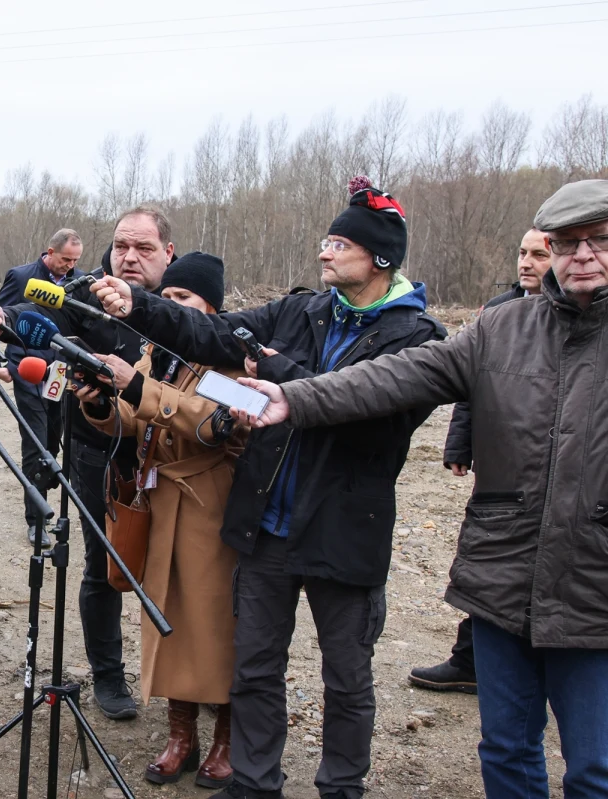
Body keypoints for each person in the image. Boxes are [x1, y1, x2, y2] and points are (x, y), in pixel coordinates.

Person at [235, 178, 608, 799]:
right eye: (566, 243)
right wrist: (293, 396)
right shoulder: (501, 327)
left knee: (594, 769)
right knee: (508, 752)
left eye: (598, 239)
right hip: (503, 578)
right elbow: (394, 378)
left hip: (596, 588)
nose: (583, 256)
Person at [92, 177, 446, 799]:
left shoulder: (416, 337)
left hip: (344, 530)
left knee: (346, 679)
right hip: (267, 527)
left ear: (380, 258)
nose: (324, 251)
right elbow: (214, 334)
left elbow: (374, 420)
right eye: (325, 239)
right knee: (255, 669)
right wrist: (137, 304)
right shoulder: (300, 310)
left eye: (339, 242)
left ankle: (341, 788)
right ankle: (254, 784)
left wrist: (279, 373)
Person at [0, 205, 177, 721]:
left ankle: (185, 685)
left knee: (178, 571)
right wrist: (10, 336)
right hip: (96, 454)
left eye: (144, 249)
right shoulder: (82, 296)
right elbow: (36, 338)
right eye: (121, 247)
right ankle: (109, 679)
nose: (129, 258)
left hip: (176, 459)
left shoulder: (181, 304)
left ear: (168, 253)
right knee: (101, 564)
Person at [76, 254, 242, 789]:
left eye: (183, 301)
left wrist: (137, 389)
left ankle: (227, 739)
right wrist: (103, 400)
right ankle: (181, 736)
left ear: (210, 308)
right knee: (164, 617)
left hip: (209, 504)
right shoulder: (155, 351)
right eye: (165, 300)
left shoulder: (229, 358)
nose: (170, 310)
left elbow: (215, 424)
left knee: (214, 624)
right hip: (159, 499)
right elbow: (132, 417)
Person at [411, 227, 553, 695]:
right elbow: (469, 392)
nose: (526, 262)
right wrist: (458, 445)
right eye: (521, 252)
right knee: (492, 568)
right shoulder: (499, 316)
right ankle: (470, 660)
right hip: (503, 471)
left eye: (539, 254)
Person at [0, 229, 85, 547]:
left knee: (52, 442)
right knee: (35, 444)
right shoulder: (20, 277)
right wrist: (0, 362)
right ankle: (36, 521)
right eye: (65, 259)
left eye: (75, 261)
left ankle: (45, 491)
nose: (70, 266)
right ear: (50, 252)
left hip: (61, 375)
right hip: (27, 371)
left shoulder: (80, 282)